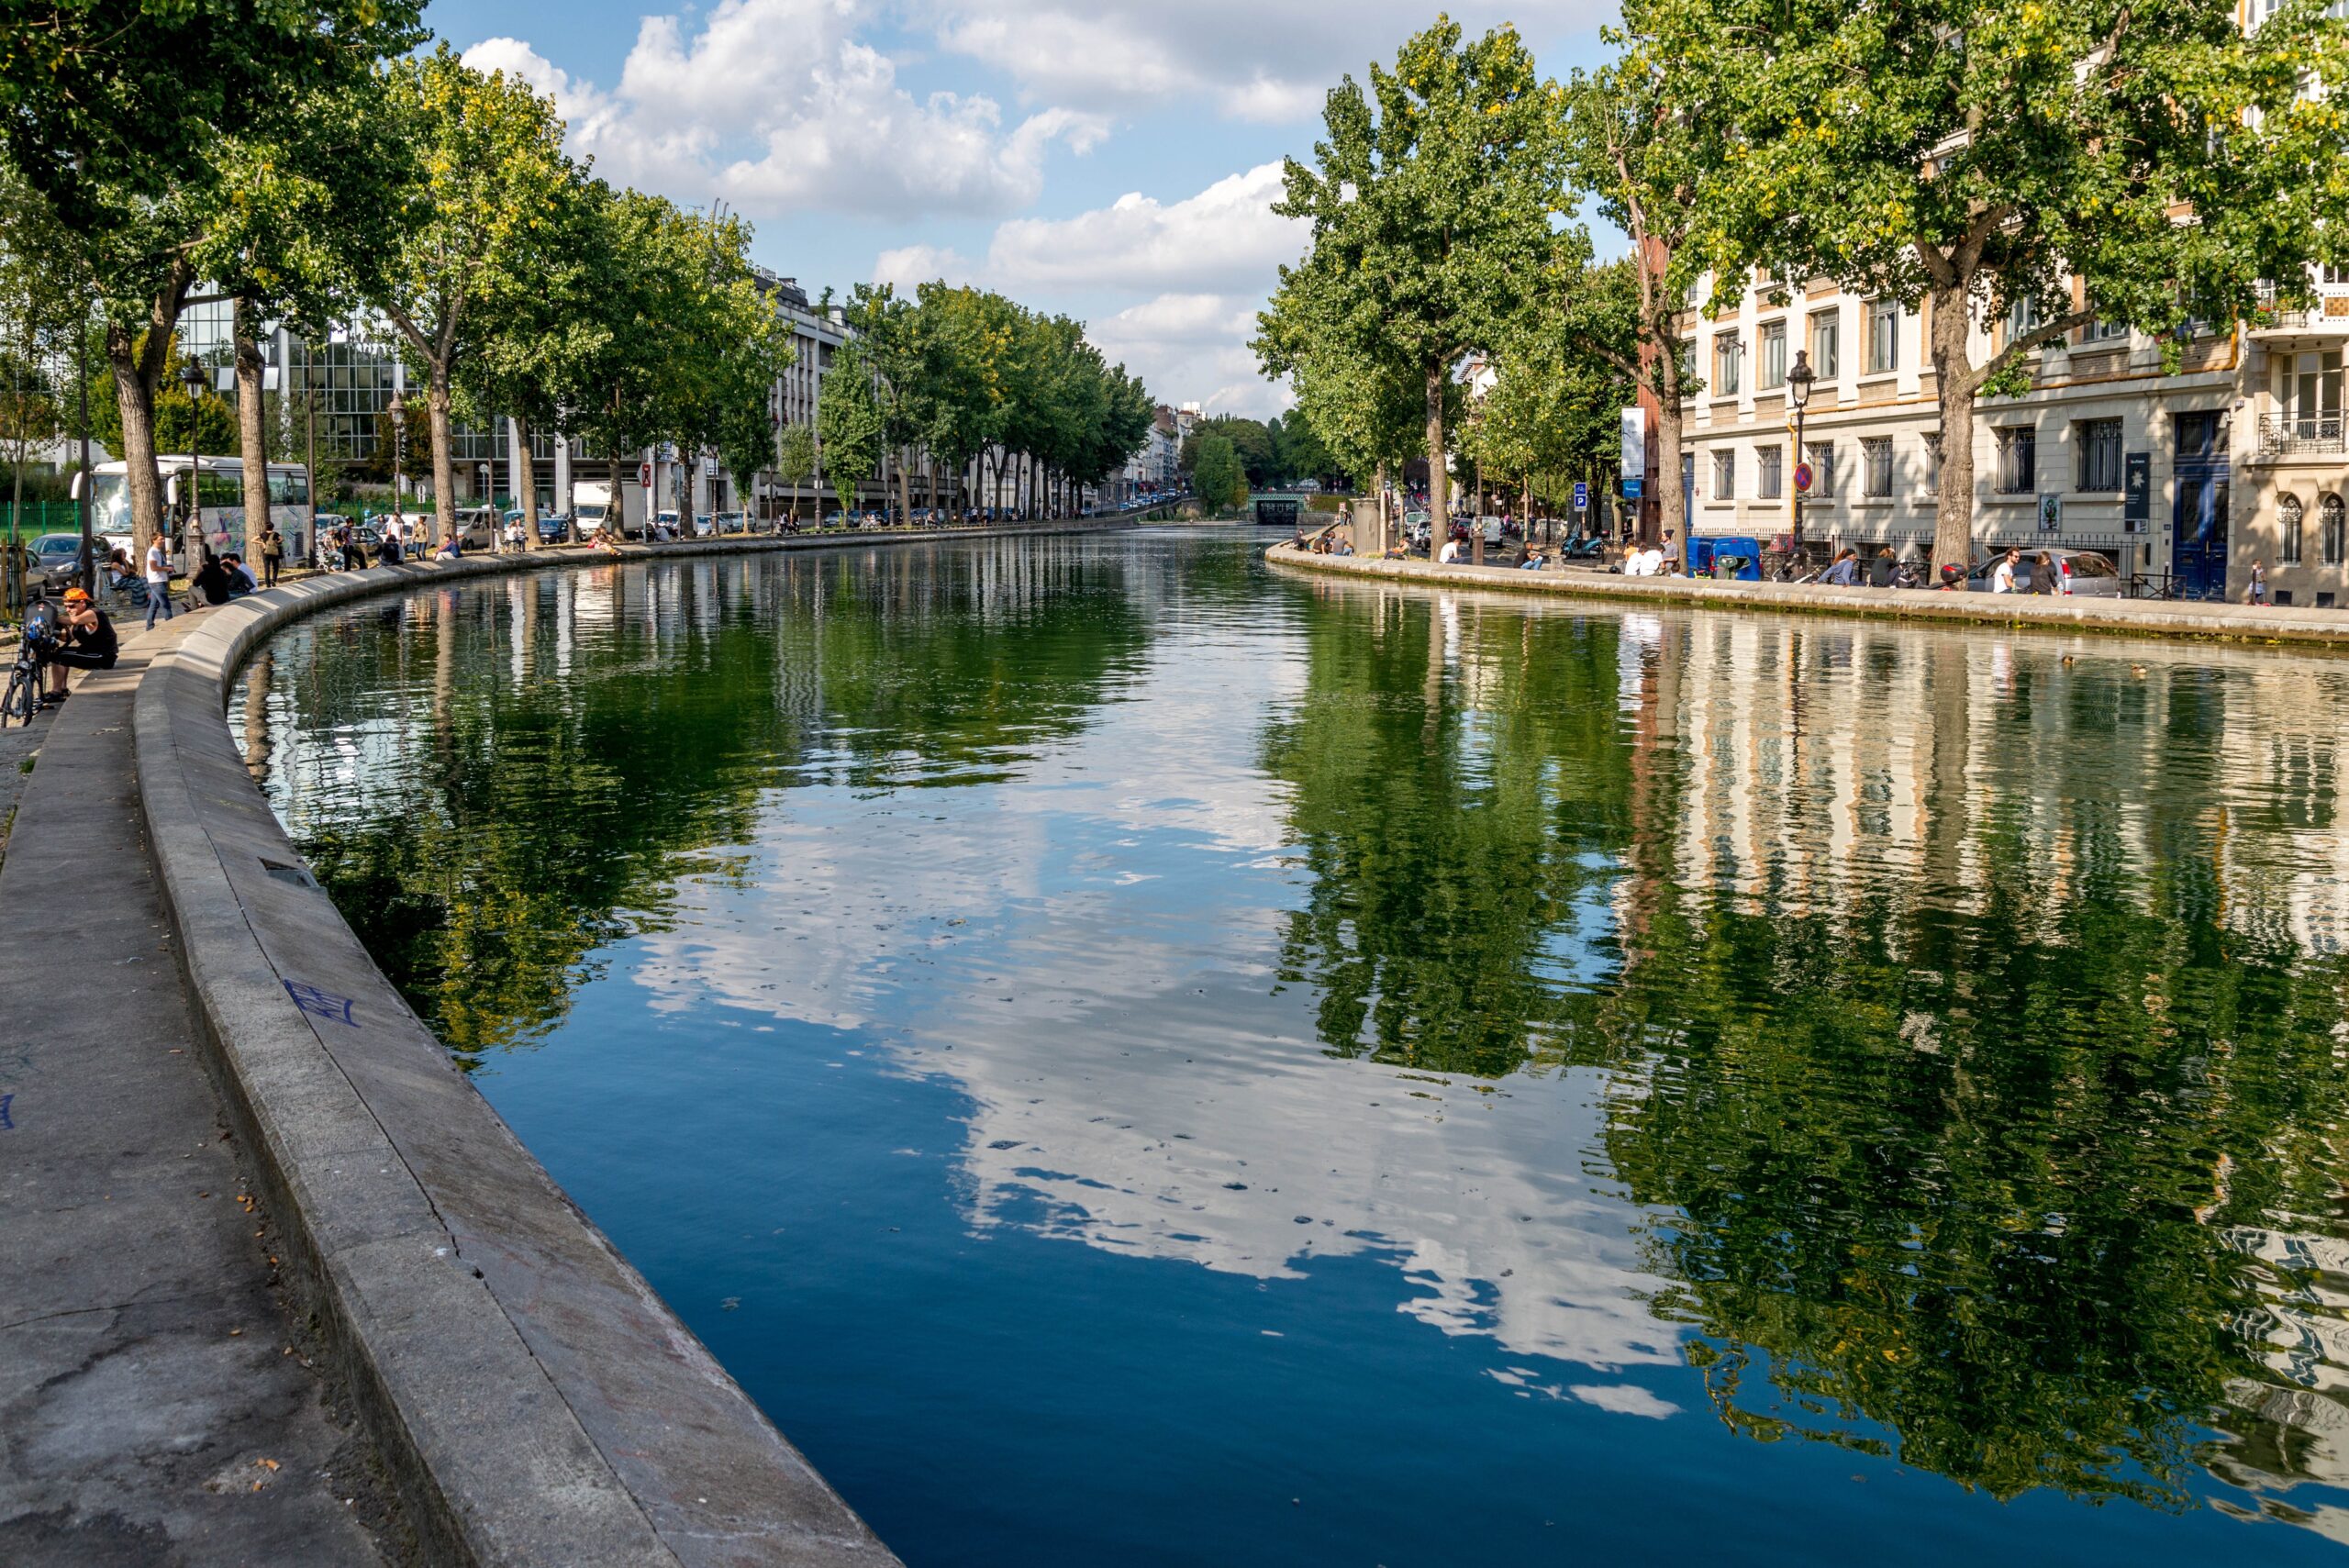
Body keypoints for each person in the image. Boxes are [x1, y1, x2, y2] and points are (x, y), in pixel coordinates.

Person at [42, 586, 117, 704]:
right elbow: (69, 637)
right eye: (66, 606)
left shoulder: (93, 613)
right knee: (63, 652)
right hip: (90, 652)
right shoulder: (79, 616)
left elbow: (75, 621)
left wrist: (50, 617)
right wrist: (54, 634)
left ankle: (56, 692)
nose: (68, 610)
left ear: (82, 603)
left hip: (102, 656)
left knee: (59, 656)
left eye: (71, 606)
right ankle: (63, 688)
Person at [143, 534, 174, 628]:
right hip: (157, 581)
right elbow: (153, 567)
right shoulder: (153, 552)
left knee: (154, 605)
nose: (163, 541)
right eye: (161, 539)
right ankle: (170, 625)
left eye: (163, 539)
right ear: (154, 540)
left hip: (159, 580)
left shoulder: (158, 552)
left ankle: (149, 626)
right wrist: (167, 569)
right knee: (166, 605)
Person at [259, 523, 284, 587]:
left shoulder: (263, 534)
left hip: (266, 552)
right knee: (275, 567)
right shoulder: (275, 534)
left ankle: (267, 584)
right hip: (274, 553)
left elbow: (252, 540)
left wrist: (262, 543)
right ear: (272, 527)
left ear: (266, 527)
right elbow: (282, 539)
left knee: (267, 568)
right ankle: (273, 581)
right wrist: (276, 542)